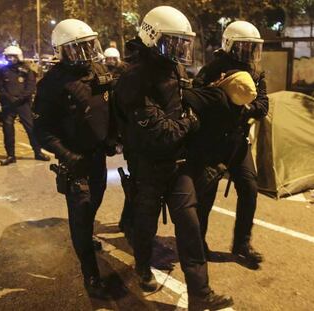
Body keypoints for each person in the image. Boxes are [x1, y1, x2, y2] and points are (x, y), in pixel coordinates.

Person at [115, 6, 234, 310]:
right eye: (174, 42)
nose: (180, 51)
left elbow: (181, 108)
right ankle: (142, 268)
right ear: (152, 37)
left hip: (178, 164)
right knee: (145, 226)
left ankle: (200, 295)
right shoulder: (134, 78)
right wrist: (191, 121)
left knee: (191, 228)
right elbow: (162, 132)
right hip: (148, 166)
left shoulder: (172, 68)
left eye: (183, 43)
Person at [33, 19, 116, 298]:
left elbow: (110, 107)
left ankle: (86, 237)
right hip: (75, 162)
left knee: (94, 204)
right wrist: (68, 155)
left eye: (88, 46)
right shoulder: (52, 84)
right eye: (77, 49)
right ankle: (91, 276)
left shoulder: (99, 71)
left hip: (97, 157)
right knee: (80, 215)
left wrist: (112, 138)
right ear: (62, 52)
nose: (85, 54)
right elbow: (42, 130)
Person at [193, 21, 268, 264]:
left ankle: (242, 244)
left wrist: (244, 108)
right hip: (213, 143)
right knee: (206, 195)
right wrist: (221, 101)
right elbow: (198, 100)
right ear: (230, 45)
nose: (249, 53)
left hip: (238, 142)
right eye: (244, 47)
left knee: (249, 188)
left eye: (252, 48)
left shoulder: (255, 73)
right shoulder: (212, 69)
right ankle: (198, 243)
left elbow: (263, 105)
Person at [0, 45, 50, 166]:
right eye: (8, 57)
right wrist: (9, 98)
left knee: (31, 129)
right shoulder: (2, 71)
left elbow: (31, 87)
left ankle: (38, 152)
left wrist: (20, 99)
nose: (10, 59)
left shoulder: (27, 70)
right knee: (8, 130)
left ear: (18, 56)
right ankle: (10, 155)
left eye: (12, 57)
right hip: (8, 105)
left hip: (23, 104)